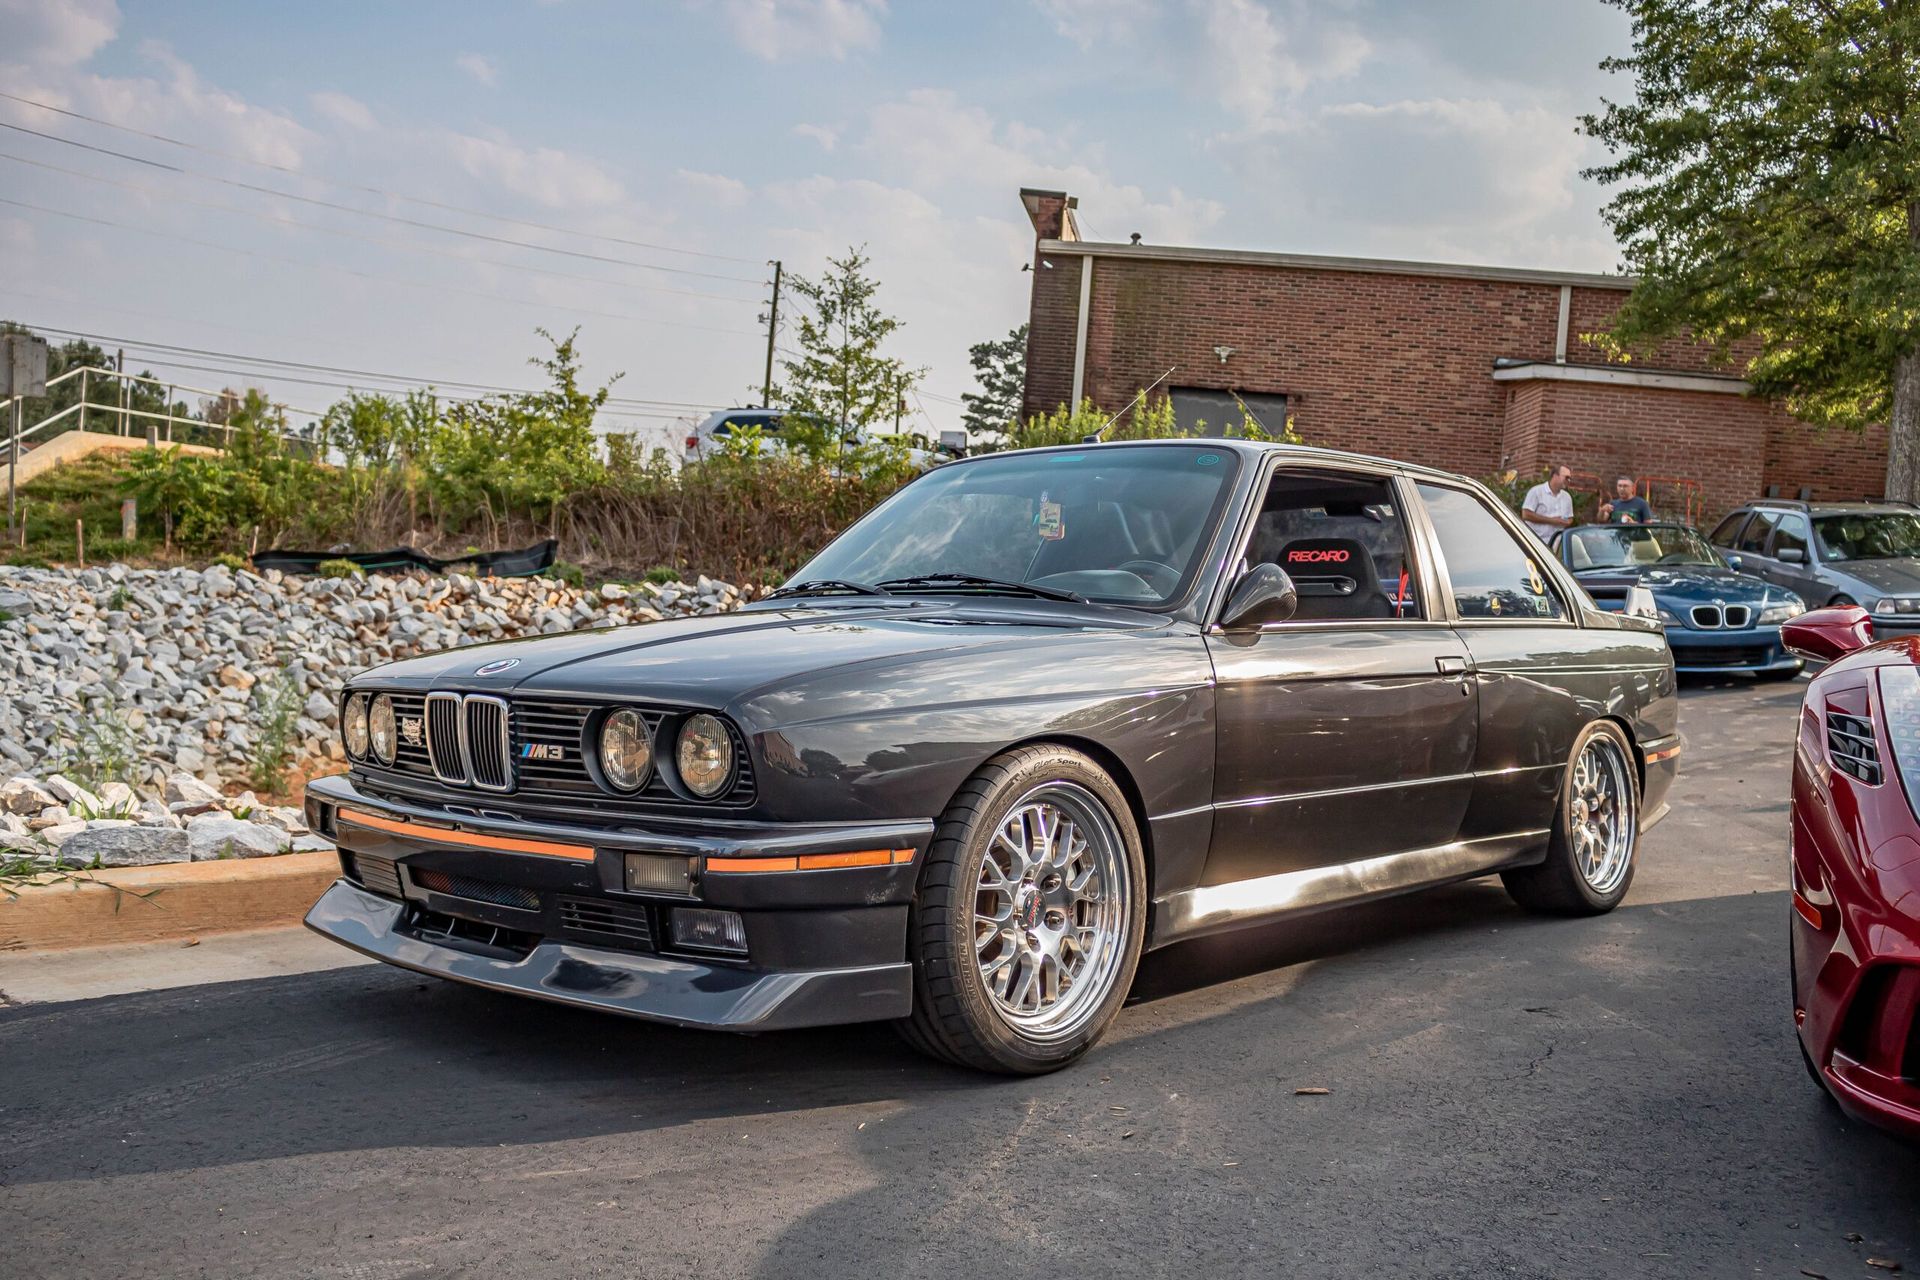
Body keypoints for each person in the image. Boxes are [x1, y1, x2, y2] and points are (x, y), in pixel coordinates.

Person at [1521, 464, 1576, 542]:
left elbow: (1570, 518)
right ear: (1555, 476)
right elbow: (1526, 514)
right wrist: (1552, 521)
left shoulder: (1567, 497)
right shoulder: (1536, 491)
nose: (1569, 481)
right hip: (1534, 541)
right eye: (1566, 477)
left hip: (1556, 544)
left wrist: (1565, 522)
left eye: (1570, 478)